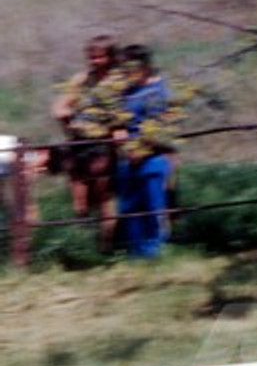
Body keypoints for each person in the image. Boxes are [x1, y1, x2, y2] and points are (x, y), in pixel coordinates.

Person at [50, 34, 120, 251]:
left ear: (110, 57)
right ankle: (84, 243)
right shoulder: (81, 79)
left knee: (103, 193)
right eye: (91, 57)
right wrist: (69, 120)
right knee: (80, 199)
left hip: (104, 142)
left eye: (99, 57)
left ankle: (107, 245)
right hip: (80, 143)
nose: (94, 61)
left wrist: (110, 127)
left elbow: (123, 113)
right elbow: (58, 107)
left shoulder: (117, 82)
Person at [114, 45, 177, 259]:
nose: (126, 72)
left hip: (152, 158)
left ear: (144, 65)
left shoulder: (160, 91)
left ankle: (155, 254)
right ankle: (136, 255)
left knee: (154, 207)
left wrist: (144, 148)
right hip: (127, 159)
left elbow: (165, 126)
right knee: (130, 209)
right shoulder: (125, 93)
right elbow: (117, 119)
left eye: (130, 67)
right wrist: (118, 130)